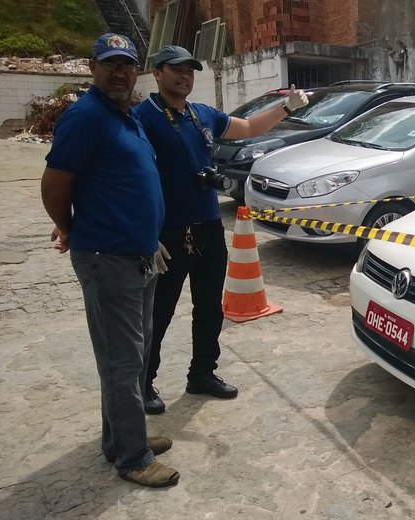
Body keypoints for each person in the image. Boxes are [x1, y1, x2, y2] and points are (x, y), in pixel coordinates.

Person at [135, 45, 308, 414]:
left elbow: (247, 127)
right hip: (167, 233)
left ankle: (202, 374)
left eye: (190, 71)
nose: (185, 76)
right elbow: (131, 178)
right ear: (157, 73)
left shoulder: (202, 115)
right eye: (177, 69)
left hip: (209, 226)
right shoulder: (143, 117)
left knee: (210, 306)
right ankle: (143, 383)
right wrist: (145, 235)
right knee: (159, 312)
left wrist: (288, 106)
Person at [40, 33, 178, 487]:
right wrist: (71, 227)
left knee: (135, 357)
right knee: (121, 361)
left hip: (141, 254)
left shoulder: (124, 115)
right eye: (110, 64)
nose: (119, 73)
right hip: (107, 258)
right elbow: (55, 184)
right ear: (93, 68)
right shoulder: (85, 116)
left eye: (127, 65)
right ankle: (133, 458)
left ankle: (119, 438)